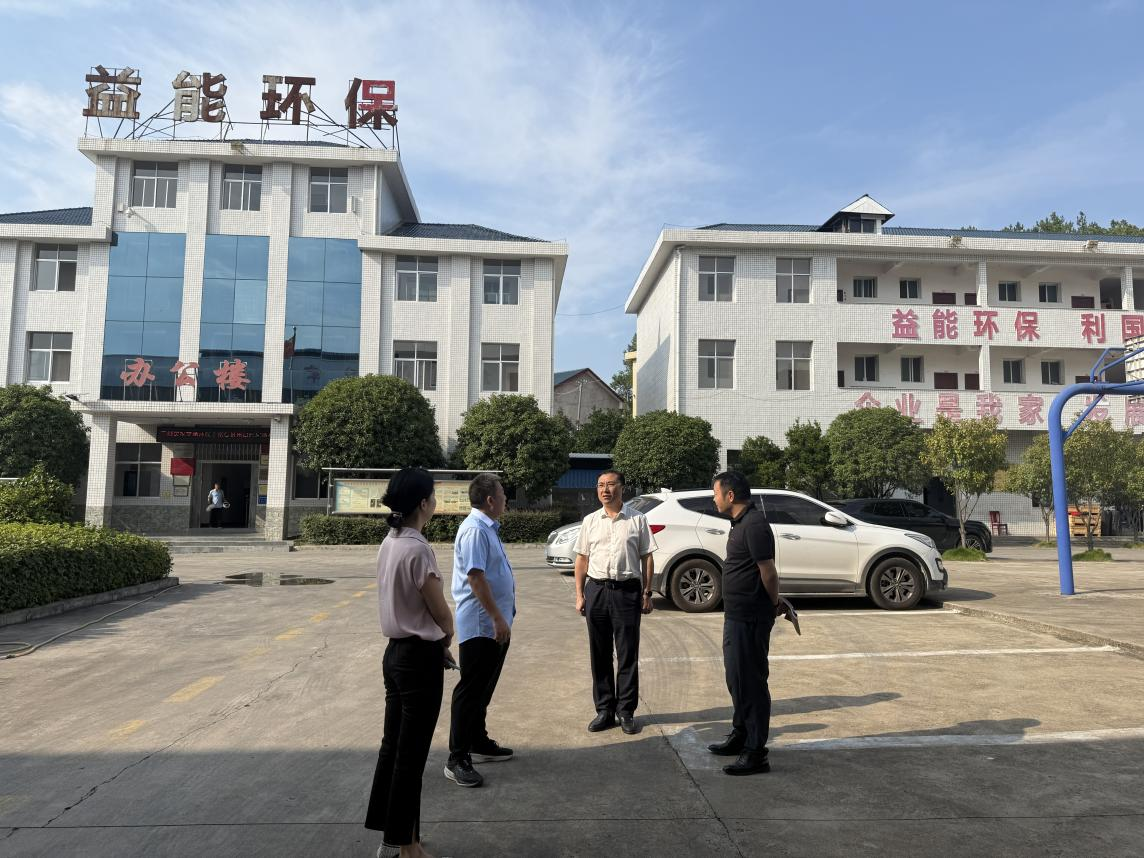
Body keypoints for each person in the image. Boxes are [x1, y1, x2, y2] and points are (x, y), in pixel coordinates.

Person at [365, 468, 456, 858]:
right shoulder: (418, 548)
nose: (435, 502)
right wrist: (446, 635)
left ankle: (395, 837)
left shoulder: (391, 541)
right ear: (423, 503)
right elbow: (439, 610)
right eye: (433, 496)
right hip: (418, 660)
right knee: (411, 756)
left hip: (395, 655)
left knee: (393, 748)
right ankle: (408, 847)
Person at [707, 470, 790, 776]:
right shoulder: (739, 523)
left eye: (716, 494)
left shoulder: (754, 525)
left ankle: (756, 752)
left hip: (751, 617)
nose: (713, 499)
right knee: (736, 679)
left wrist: (773, 603)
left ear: (730, 496)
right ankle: (741, 733)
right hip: (737, 614)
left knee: (751, 682)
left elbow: (768, 571)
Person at [445, 473, 516, 788]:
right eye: (502, 494)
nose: (505, 499)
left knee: (483, 688)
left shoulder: (487, 528)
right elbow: (475, 577)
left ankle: (477, 740)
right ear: (490, 500)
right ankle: (457, 757)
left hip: (494, 623)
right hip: (481, 624)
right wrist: (497, 617)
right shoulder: (475, 530)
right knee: (471, 690)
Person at [573, 470, 654, 735]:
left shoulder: (637, 519)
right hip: (596, 590)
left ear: (622, 488)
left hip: (627, 592)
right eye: (600, 485)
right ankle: (604, 710)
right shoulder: (590, 521)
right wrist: (579, 594)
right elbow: (582, 559)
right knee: (599, 653)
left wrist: (647, 593)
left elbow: (647, 557)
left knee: (627, 653)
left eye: (610, 485)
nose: (605, 490)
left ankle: (626, 711)